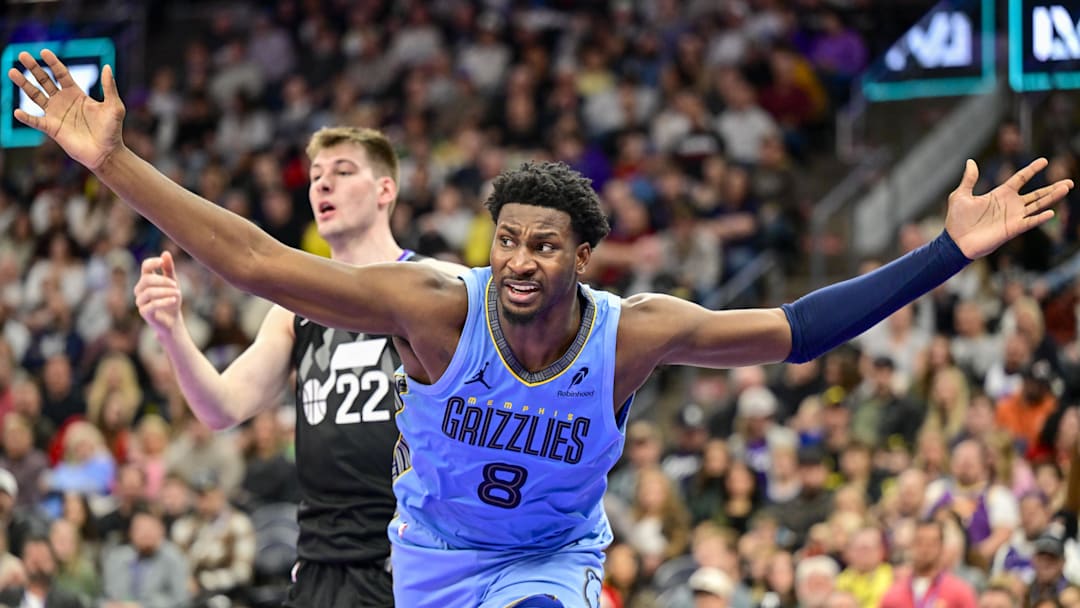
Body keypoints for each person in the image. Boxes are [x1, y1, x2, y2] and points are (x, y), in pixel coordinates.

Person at [8, 50, 1074, 607]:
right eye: (506, 239)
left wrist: (946, 254)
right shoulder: (435, 307)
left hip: (551, 558)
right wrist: (110, 162)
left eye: (543, 245)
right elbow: (252, 260)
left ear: (581, 256)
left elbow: (798, 328)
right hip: (426, 560)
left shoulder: (634, 333)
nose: (519, 260)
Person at [131, 123, 461, 608]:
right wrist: (171, 331)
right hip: (319, 565)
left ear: (385, 190)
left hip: (409, 559)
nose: (323, 184)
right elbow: (222, 407)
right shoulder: (295, 310)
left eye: (343, 172)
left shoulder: (437, 285)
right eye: (315, 176)